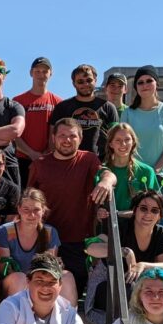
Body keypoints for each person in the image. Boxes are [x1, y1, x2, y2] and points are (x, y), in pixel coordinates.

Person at [27, 118, 116, 296]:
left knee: (74, 285)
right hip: (46, 239)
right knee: (46, 288)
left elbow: (108, 173)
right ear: (53, 138)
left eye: (72, 136)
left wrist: (106, 181)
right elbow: (28, 199)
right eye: (62, 135)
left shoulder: (89, 159)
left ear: (80, 139)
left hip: (78, 240)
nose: (67, 140)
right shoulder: (39, 165)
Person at [84, 190, 163, 324]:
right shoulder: (120, 227)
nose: (148, 214)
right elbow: (91, 248)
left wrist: (141, 265)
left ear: (160, 215)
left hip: (138, 290)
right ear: (134, 210)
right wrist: (125, 252)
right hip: (107, 287)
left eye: (154, 210)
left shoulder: (161, 233)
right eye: (143, 208)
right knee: (130, 288)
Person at [0, 188, 77, 304]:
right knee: (20, 278)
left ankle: (69, 320)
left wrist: (37, 282)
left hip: (40, 279)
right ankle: (19, 318)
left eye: (36, 210)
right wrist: (31, 283)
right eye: (26, 209)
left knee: (67, 277)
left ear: (43, 210)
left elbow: (49, 267)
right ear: (19, 209)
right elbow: (5, 268)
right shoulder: (6, 231)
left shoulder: (50, 232)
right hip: (14, 282)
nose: (31, 215)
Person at [120, 66, 163, 196]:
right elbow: (121, 145)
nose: (144, 85)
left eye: (149, 81)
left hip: (158, 177)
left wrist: (154, 171)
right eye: (140, 82)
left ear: (156, 83)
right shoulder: (127, 113)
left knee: (154, 216)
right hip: (131, 176)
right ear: (136, 87)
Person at [12, 57, 62, 189]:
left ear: (51, 73)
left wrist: (45, 154)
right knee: (23, 199)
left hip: (50, 160)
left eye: (45, 71)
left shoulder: (58, 102)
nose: (41, 74)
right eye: (37, 71)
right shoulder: (17, 101)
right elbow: (13, 134)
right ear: (31, 73)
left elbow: (59, 133)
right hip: (22, 159)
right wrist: (31, 153)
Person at [50, 63, 118, 158]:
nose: (85, 84)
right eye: (80, 81)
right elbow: (52, 138)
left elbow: (115, 138)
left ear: (95, 81)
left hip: (100, 164)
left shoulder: (108, 107)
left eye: (89, 80)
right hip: (68, 163)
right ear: (74, 84)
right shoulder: (62, 107)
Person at [99, 123, 159, 212]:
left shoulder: (147, 171)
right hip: (109, 224)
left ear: (133, 142)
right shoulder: (102, 172)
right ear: (111, 144)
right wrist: (99, 211)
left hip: (138, 224)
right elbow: (94, 205)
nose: (123, 144)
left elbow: (155, 205)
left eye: (127, 139)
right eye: (118, 140)